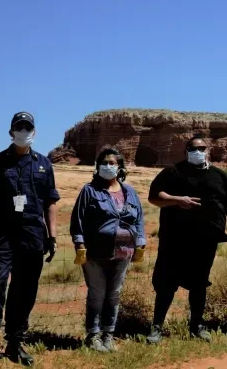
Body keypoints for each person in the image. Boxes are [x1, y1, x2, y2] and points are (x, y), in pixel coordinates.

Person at [0, 112, 60, 366]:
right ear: (11, 132)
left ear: (34, 132)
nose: (23, 131)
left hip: (32, 237)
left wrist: (52, 236)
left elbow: (50, 203)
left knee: (25, 290)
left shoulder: (44, 164)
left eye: (27, 127)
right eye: (19, 127)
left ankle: (14, 343)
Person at [146, 136, 227, 344]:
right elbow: (154, 196)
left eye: (202, 148)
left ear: (207, 151)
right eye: (193, 148)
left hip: (205, 241)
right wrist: (177, 200)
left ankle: (196, 326)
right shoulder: (173, 172)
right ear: (186, 150)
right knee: (167, 283)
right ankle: (156, 327)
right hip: (174, 240)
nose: (198, 151)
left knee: (199, 284)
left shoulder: (219, 176)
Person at [70, 148, 146, 352]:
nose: (108, 166)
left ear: (119, 167)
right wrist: (80, 244)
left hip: (124, 252)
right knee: (97, 293)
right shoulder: (89, 190)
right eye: (104, 162)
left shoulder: (129, 191)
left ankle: (108, 334)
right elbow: (78, 220)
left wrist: (140, 242)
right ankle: (93, 335)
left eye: (112, 163)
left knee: (114, 294)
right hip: (95, 252)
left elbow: (138, 219)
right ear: (97, 167)